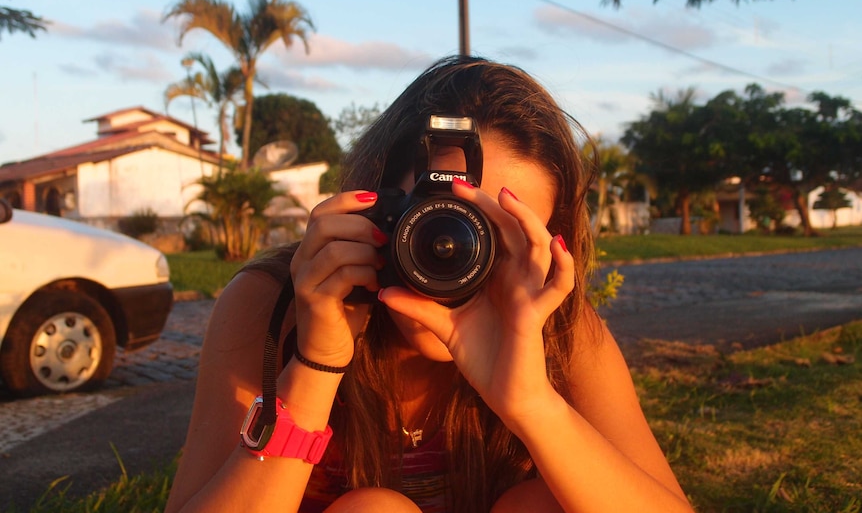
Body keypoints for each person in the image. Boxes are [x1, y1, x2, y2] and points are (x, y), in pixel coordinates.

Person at [165, 55, 694, 513]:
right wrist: (316, 363)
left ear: (549, 251)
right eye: (441, 220)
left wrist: (531, 402)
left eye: (501, 237)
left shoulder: (558, 330)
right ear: (376, 207)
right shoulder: (274, 305)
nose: (459, 253)